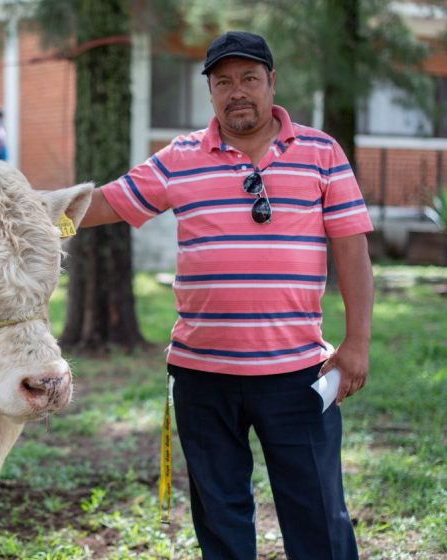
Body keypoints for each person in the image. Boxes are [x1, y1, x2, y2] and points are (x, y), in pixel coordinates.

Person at [81, 31, 373, 559]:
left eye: (249, 79)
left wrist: (357, 344)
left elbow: (353, 254)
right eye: (223, 82)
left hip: (298, 374)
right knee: (220, 521)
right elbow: (105, 204)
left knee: (319, 519)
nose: (237, 92)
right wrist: (15, 208)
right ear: (211, 92)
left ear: (271, 83)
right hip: (202, 377)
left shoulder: (321, 152)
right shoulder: (180, 157)